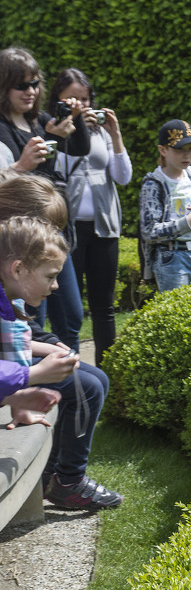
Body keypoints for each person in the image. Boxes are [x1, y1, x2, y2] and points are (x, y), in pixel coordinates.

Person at [0, 211, 121, 509]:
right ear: (18, 269)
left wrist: (47, 350)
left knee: (96, 381)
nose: (55, 286)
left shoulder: (10, 298)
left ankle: (52, 475)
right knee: (89, 387)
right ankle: (66, 481)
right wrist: (34, 376)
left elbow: (21, 339)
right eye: (50, 276)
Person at [0, 46, 89, 351]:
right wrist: (20, 167)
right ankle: (40, 383)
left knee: (73, 318)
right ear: (3, 87)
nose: (31, 92)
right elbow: (16, 183)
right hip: (21, 241)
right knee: (32, 321)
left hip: (51, 232)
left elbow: (79, 149)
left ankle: (70, 377)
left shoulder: (37, 121)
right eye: (21, 85)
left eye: (35, 83)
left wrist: (72, 123)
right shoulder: (1, 129)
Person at [48, 69, 131, 366]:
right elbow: (53, 169)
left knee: (104, 307)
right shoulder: (52, 130)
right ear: (58, 100)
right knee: (71, 309)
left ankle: (106, 374)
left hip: (104, 227)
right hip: (68, 230)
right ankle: (70, 372)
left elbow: (123, 177)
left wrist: (115, 134)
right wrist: (72, 129)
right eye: (72, 99)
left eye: (85, 99)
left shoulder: (101, 133)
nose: (80, 105)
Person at [139, 119, 191, 291]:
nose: (187, 155)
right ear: (163, 150)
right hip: (171, 259)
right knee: (177, 313)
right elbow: (149, 232)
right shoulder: (153, 184)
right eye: (179, 150)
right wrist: (189, 222)